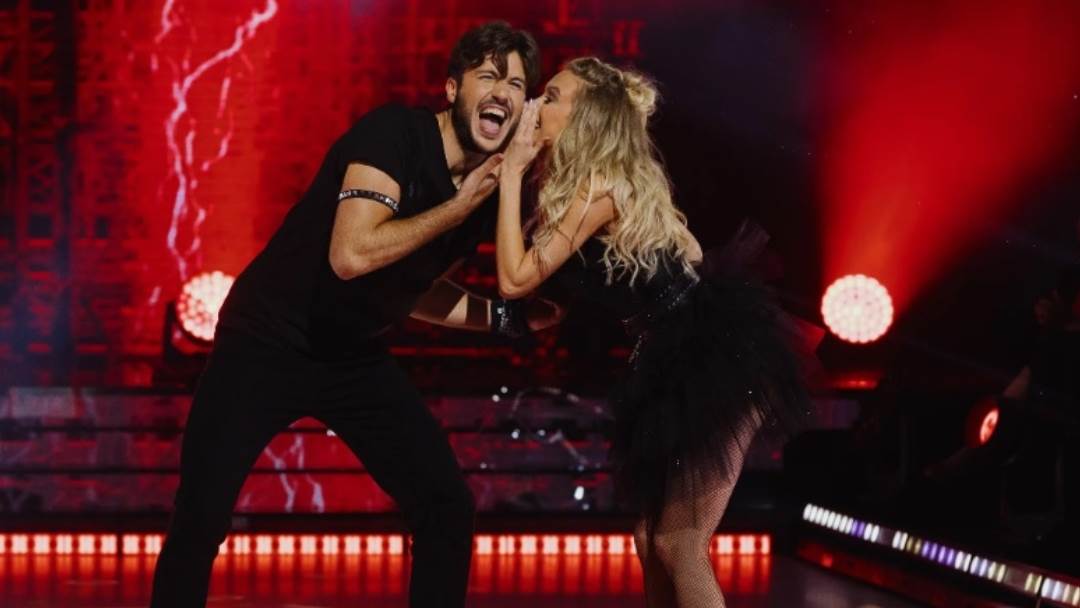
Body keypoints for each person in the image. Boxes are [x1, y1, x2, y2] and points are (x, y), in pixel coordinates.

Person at [150, 22, 555, 608]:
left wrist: (503, 319)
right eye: (488, 76)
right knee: (201, 517)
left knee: (446, 505)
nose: (502, 92)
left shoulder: (487, 190)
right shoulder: (393, 134)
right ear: (451, 89)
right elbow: (352, 255)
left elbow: (413, 287)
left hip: (351, 358)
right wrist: (458, 206)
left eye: (516, 84)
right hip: (263, 343)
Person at [493, 57, 811, 607]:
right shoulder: (581, 190)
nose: (536, 106)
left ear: (587, 117)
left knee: (680, 542)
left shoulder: (599, 188)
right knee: (651, 538)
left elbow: (514, 278)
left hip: (713, 362)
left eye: (553, 96)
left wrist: (510, 174)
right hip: (667, 362)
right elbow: (564, 290)